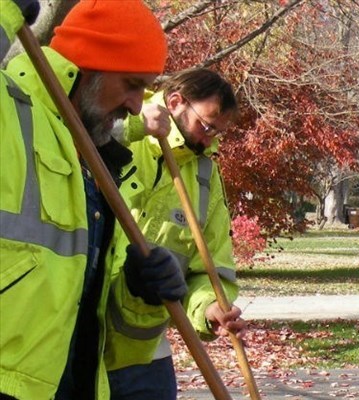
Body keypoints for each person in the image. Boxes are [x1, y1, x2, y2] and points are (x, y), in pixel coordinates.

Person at [0, 1, 188, 399]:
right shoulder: (10, 113)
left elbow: (100, 332)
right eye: (133, 84)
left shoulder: (97, 160)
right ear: (90, 67)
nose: (137, 105)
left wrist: (140, 293)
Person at [104, 68, 244, 399]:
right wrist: (133, 127)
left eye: (218, 132)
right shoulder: (121, 121)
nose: (208, 139)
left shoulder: (205, 177)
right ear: (176, 101)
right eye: (206, 126)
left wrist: (211, 308)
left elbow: (207, 268)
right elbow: (71, 130)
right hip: (74, 337)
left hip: (142, 350)